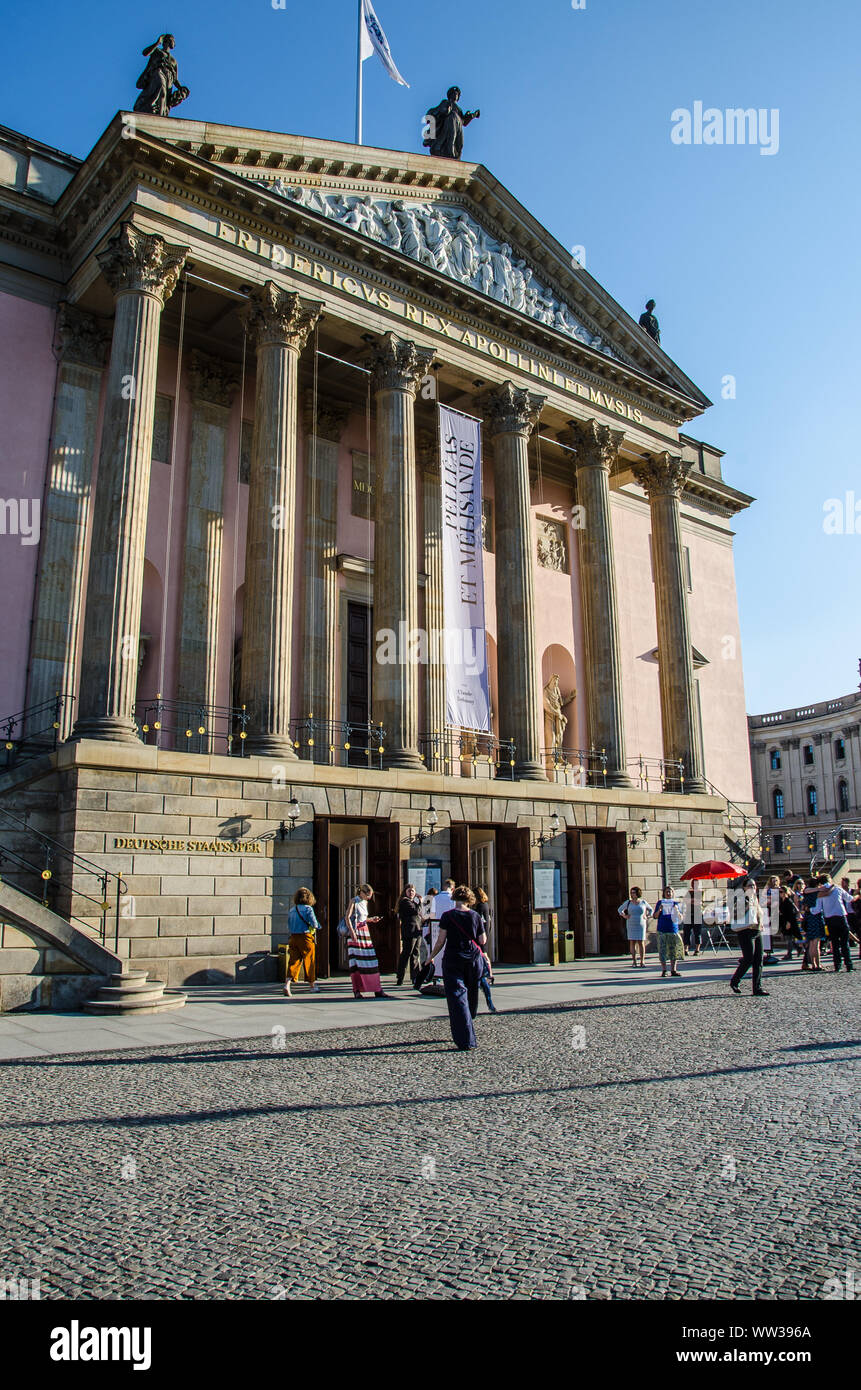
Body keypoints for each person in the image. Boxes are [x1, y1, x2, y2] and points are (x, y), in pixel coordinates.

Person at [426, 885, 487, 1050]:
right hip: (472, 960)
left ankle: (466, 1039)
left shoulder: (448, 916)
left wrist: (430, 957)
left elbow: (440, 941)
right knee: (471, 992)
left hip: (453, 959)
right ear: (469, 899)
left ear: (454, 898)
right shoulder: (475, 916)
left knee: (458, 998)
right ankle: (470, 1016)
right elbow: (482, 940)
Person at [346, 883, 390, 1000]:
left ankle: (377, 988)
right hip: (356, 933)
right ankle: (357, 990)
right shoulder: (354, 901)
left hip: (365, 931)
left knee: (371, 961)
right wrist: (352, 932)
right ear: (362, 892)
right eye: (368, 895)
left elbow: (363, 918)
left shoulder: (364, 902)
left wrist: (371, 919)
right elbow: (347, 917)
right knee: (356, 963)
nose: (369, 898)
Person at [729, 877, 768, 996]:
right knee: (748, 959)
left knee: (759, 960)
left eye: (754, 885)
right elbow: (735, 915)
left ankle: (757, 988)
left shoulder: (755, 899)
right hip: (745, 931)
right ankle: (735, 981)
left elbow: (759, 914)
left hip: (756, 931)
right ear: (744, 888)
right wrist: (747, 906)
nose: (753, 888)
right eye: (750, 885)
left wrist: (761, 925)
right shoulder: (742, 899)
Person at [283, 887, 321, 997]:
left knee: (293, 961)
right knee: (309, 960)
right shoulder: (308, 909)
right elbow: (314, 923)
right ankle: (312, 985)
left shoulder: (292, 910)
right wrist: (318, 926)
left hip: (293, 937)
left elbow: (288, 925)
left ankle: (287, 984)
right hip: (305, 937)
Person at [815, 874, 854, 973]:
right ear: (829, 879)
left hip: (829, 918)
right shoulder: (837, 888)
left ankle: (837, 965)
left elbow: (818, 908)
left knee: (835, 943)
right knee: (845, 943)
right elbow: (849, 899)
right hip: (841, 916)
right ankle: (849, 965)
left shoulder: (821, 891)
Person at [395, 883, 423, 986]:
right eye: (409, 891)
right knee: (407, 954)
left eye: (413, 891)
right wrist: (420, 902)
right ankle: (401, 977)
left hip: (416, 930)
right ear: (405, 892)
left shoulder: (411, 902)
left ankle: (415, 977)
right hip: (410, 931)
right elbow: (416, 911)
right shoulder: (405, 902)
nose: (411, 893)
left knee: (415, 953)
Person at [653, 885, 684, 977]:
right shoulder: (660, 903)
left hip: (673, 929)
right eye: (667, 892)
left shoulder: (675, 903)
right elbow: (655, 916)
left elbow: (680, 918)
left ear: (673, 893)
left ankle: (673, 970)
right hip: (662, 929)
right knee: (662, 950)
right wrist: (660, 910)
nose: (668, 893)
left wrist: (677, 911)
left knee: (673, 950)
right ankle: (664, 970)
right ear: (664, 893)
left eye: (670, 892)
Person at [618, 887, 652, 967]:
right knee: (632, 941)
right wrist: (624, 915)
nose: (632, 894)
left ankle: (642, 961)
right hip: (631, 923)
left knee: (641, 942)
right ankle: (634, 961)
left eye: (634, 892)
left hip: (641, 923)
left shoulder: (643, 902)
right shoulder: (628, 902)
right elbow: (620, 909)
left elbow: (651, 909)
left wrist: (647, 916)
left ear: (638, 893)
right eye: (631, 892)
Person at [778, 884, 803, 960]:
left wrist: (789, 923)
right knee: (788, 938)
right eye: (779, 892)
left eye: (781, 892)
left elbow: (791, 913)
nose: (780, 893)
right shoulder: (781, 901)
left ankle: (789, 954)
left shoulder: (788, 901)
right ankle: (798, 948)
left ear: (786, 892)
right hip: (784, 920)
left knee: (789, 938)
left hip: (789, 921)